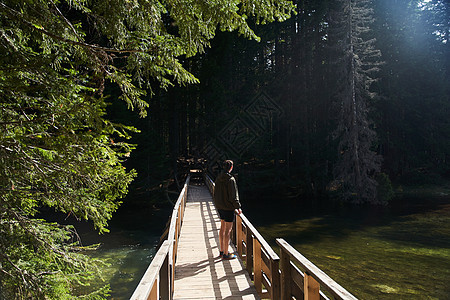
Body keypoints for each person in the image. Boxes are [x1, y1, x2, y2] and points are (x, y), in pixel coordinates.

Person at [213, 160, 242, 260]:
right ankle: (226, 253)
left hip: (220, 207)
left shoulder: (218, 178)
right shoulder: (231, 179)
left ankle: (222, 251)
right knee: (228, 231)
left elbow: (215, 192)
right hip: (228, 208)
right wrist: (237, 207)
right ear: (231, 167)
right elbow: (233, 196)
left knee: (222, 228)